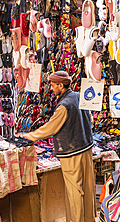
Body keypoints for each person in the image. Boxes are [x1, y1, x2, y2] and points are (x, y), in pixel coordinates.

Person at [20, 71, 96, 222]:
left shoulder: (63, 106)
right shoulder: (78, 96)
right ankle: (89, 219)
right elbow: (90, 120)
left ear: (61, 85)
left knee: (75, 191)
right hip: (86, 147)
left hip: (72, 153)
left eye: (53, 85)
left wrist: (28, 136)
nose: (51, 88)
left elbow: (50, 128)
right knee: (87, 189)